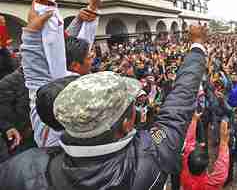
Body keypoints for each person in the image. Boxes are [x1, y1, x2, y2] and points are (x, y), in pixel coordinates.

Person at [0, 19, 208, 189]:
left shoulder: (22, 170)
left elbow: (39, 82)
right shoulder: (154, 151)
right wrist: (197, 45)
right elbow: (181, 98)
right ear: (127, 124)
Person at [180, 112, 230, 189]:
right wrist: (223, 141)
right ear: (205, 169)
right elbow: (222, 170)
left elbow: (188, 144)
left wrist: (193, 121)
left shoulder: (184, 172)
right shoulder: (207, 184)